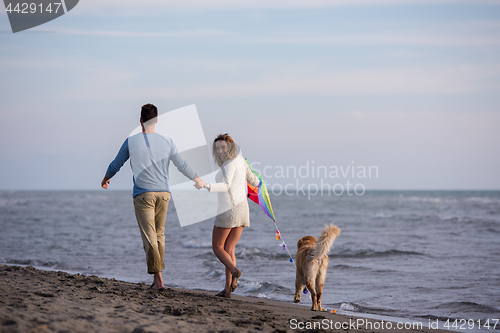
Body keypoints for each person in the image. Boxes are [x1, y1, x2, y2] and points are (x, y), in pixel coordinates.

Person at [101, 103, 206, 290]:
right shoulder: (168, 141)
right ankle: (157, 277)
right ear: (157, 120)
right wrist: (197, 179)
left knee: (149, 236)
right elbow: (181, 165)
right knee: (159, 235)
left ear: (140, 120)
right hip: (164, 194)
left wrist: (106, 178)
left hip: (143, 194)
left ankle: (159, 280)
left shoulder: (131, 141)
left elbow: (116, 164)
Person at [194, 134, 260, 298]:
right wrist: (246, 168)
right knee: (229, 249)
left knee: (217, 247)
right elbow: (256, 182)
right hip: (243, 209)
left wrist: (206, 185)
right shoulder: (240, 160)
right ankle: (227, 290)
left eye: (223, 147)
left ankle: (234, 271)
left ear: (230, 146)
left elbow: (225, 186)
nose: (221, 151)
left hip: (228, 209)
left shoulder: (229, 164)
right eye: (217, 149)